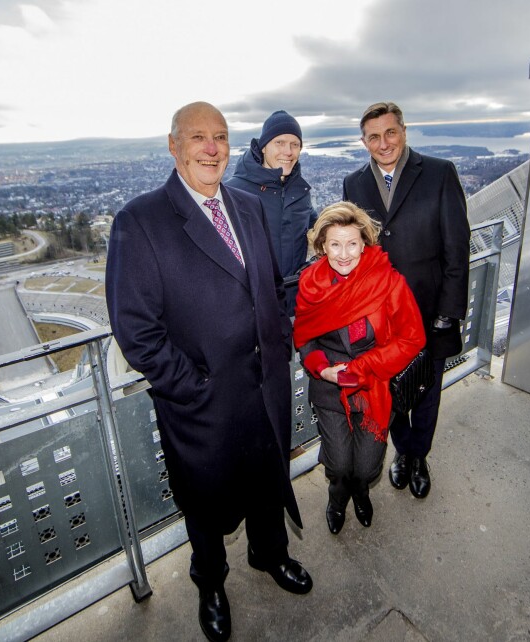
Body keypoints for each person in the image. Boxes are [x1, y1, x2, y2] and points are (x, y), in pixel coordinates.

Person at [105, 102, 311, 642]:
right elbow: (136, 330)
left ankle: (271, 554)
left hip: (264, 386)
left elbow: (269, 284)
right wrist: (191, 387)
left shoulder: (246, 206)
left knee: (269, 479)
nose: (212, 148)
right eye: (198, 137)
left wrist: (280, 340)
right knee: (205, 500)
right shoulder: (140, 220)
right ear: (174, 146)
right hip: (202, 402)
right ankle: (212, 584)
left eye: (220, 136)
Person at [342, 101, 470, 499]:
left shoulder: (438, 173)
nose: (384, 143)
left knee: (428, 389)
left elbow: (457, 246)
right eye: (374, 137)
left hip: (430, 309)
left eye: (390, 133)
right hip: (381, 315)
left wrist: (449, 311)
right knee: (390, 390)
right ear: (364, 142)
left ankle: (418, 457)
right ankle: (402, 451)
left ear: (404, 131)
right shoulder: (354, 183)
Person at [293, 202, 425, 534]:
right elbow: (304, 338)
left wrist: (362, 367)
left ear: (364, 242)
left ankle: (361, 491)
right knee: (338, 463)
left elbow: (413, 338)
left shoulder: (389, 281)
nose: (344, 254)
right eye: (334, 244)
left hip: (375, 385)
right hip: (330, 386)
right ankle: (338, 498)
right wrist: (323, 370)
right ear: (322, 245)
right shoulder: (310, 284)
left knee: (366, 468)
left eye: (352, 243)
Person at [226, 110, 316, 312]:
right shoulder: (234, 192)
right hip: (254, 307)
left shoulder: (300, 191)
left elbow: (318, 227)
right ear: (263, 147)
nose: (288, 151)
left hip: (296, 303)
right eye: (280, 143)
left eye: (295, 144)